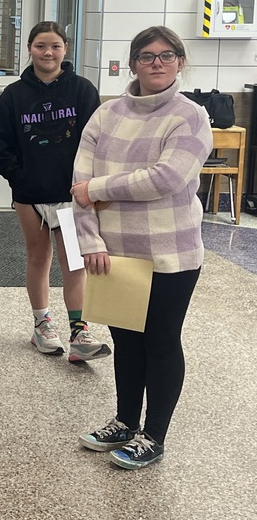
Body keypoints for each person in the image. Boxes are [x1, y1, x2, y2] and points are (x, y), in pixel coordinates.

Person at [72, 26, 212, 470]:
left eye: (167, 56)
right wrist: (90, 239)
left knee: (161, 340)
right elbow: (77, 187)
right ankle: (125, 421)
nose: (157, 63)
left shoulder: (191, 116)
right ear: (132, 64)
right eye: (147, 56)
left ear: (180, 63)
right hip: (113, 253)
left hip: (171, 253)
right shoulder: (105, 114)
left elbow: (166, 178)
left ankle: (155, 434)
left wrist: (99, 187)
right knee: (126, 339)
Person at [0, 21, 109, 362]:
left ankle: (79, 330)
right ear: (30, 49)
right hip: (30, 195)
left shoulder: (82, 90)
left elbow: (96, 143)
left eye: (55, 46)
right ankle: (42, 325)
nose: (48, 52)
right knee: (38, 258)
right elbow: (0, 146)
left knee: (74, 261)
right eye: (41, 45)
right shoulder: (14, 95)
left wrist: (87, 185)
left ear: (65, 49)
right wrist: (20, 178)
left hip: (71, 195)